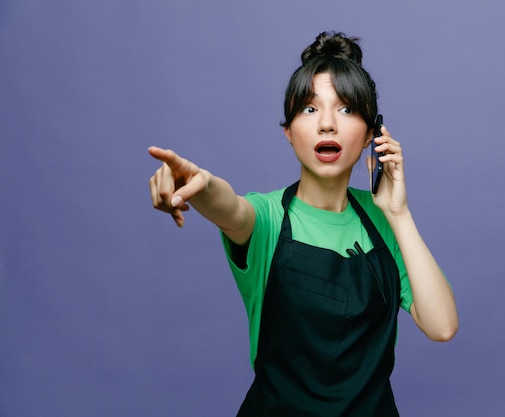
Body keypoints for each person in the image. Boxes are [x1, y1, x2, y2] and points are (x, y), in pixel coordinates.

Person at [148, 31, 458, 417]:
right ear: (289, 132)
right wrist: (202, 184)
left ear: (370, 136)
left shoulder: (384, 222)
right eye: (310, 110)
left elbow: (442, 326)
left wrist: (400, 213)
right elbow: (229, 207)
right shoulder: (267, 217)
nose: (327, 124)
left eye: (346, 109)